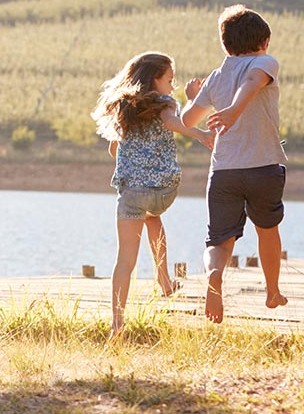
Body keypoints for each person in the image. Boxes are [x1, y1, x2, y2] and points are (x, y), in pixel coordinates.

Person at [92, 52, 216, 337]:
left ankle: (117, 324)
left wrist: (130, 157)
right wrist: (200, 134)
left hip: (131, 193)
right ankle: (165, 283)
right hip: (162, 190)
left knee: (125, 259)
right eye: (170, 80)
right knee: (153, 217)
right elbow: (172, 122)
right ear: (154, 79)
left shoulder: (125, 109)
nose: (172, 87)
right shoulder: (166, 103)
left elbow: (115, 149)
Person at [182, 5, 288, 324]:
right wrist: (234, 110)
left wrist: (193, 97)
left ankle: (215, 275)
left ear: (225, 44)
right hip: (264, 166)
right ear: (264, 41)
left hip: (224, 171)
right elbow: (254, 81)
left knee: (218, 239)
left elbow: (188, 120)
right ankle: (272, 291)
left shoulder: (216, 76)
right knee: (267, 230)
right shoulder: (265, 62)